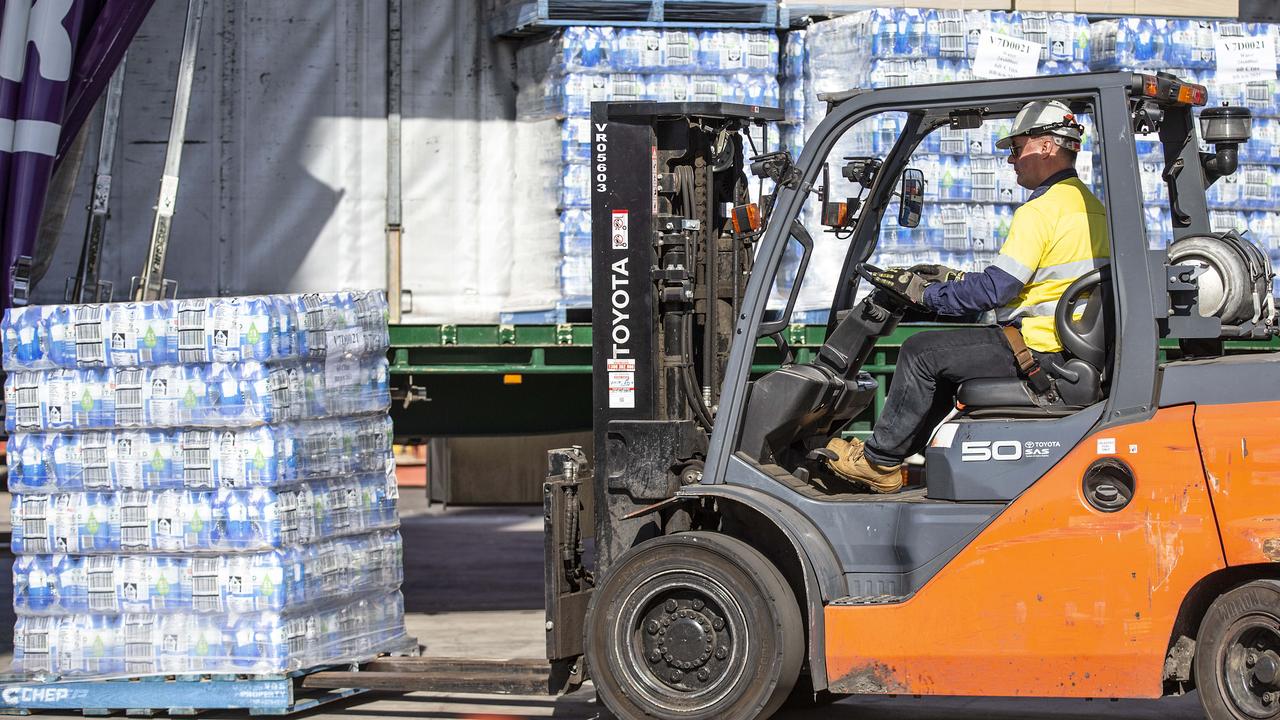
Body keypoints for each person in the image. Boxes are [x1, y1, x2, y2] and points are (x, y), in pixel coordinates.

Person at [823, 100, 1110, 493]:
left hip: (1039, 347)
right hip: (1065, 346)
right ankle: (896, 459)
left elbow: (998, 289)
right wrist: (953, 280)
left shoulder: (1041, 211)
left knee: (921, 351)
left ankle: (877, 460)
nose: (1012, 159)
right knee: (945, 358)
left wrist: (927, 293)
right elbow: (1035, 279)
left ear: (1045, 145)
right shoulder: (1093, 208)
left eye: (1016, 147)